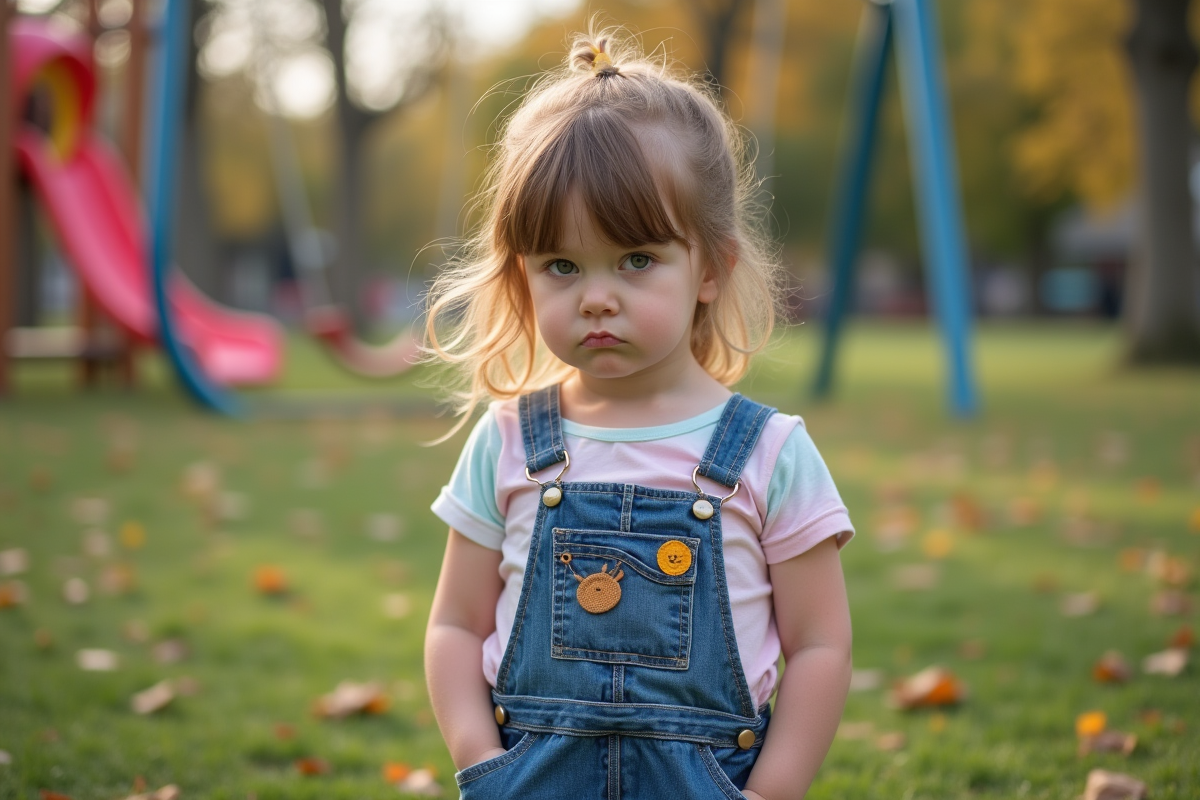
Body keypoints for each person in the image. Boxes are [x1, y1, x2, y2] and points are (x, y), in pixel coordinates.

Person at [423, 26, 854, 800]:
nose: (597, 296)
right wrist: (480, 761)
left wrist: (775, 790)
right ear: (522, 276)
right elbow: (455, 623)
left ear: (711, 269)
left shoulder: (769, 453)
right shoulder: (508, 442)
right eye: (562, 265)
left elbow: (820, 645)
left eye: (636, 260)